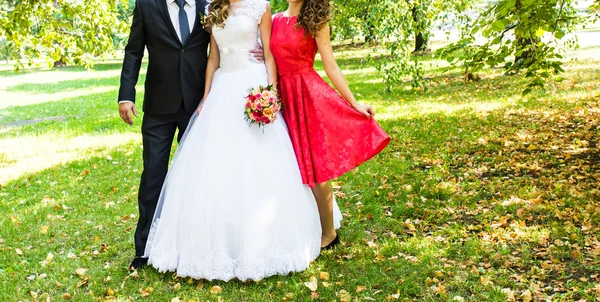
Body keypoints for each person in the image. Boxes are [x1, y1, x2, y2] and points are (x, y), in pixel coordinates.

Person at [142, 0, 338, 281]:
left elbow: (270, 55)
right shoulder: (213, 8)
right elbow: (213, 59)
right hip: (223, 87)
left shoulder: (261, 7)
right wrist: (206, 97)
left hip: (252, 83)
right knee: (217, 165)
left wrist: (271, 93)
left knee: (260, 160)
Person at [117, 0, 264, 270]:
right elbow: (134, 50)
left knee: (201, 176)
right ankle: (145, 248)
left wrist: (257, 51)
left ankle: (191, 242)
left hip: (200, 103)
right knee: (153, 175)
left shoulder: (207, 6)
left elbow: (225, 40)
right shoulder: (146, 5)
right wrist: (126, 95)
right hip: (158, 107)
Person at [270, 0, 391, 249]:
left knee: (315, 169)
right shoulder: (274, 19)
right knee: (288, 164)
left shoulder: (316, 19)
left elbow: (331, 65)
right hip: (281, 96)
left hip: (306, 96)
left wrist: (355, 103)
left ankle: (329, 233)